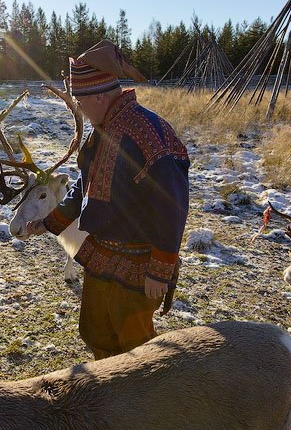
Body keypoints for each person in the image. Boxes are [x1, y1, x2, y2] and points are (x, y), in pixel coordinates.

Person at [26, 39, 190, 360]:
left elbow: (172, 204)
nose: (80, 109)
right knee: (96, 332)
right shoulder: (100, 131)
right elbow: (83, 187)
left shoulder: (150, 132)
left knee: (135, 347)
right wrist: (49, 223)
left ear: (100, 95)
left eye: (81, 101)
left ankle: (142, 405)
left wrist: (161, 268)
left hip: (139, 263)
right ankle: (109, 399)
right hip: (101, 256)